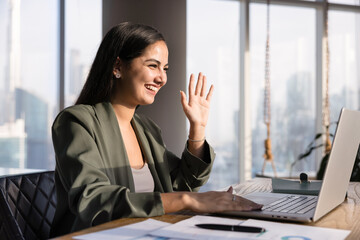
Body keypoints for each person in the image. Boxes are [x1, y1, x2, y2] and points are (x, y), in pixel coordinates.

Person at [50, 22, 262, 237]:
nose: (162, 78)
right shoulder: (76, 121)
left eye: (165, 68)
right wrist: (187, 200)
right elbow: (94, 199)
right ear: (117, 67)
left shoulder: (147, 129)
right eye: (153, 66)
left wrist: (197, 128)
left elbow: (183, 184)